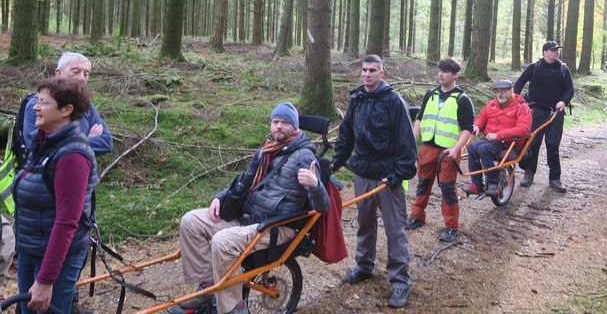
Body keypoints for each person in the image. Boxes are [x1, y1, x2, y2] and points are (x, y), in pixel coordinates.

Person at [169, 102, 329, 314]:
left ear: (295, 128)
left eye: (284, 123)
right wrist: (220, 197)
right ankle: (209, 289)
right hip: (247, 218)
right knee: (191, 221)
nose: (279, 126)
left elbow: (323, 206)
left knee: (222, 241)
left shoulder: (304, 157)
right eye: (275, 122)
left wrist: (316, 185)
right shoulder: (266, 150)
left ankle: (234, 308)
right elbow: (244, 181)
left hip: (275, 226)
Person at [331, 54, 416, 309]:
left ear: (382, 73)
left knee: (395, 230)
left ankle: (400, 281)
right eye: (364, 70)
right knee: (364, 224)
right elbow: (346, 134)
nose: (367, 74)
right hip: (363, 173)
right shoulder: (356, 99)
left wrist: (397, 175)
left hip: (388, 177)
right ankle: (364, 266)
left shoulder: (394, 102)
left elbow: (407, 145)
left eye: (372, 70)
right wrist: (337, 160)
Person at [14, 78, 99, 314]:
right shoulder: (41, 145)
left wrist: (46, 279)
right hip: (31, 251)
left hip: (54, 261)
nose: (35, 107)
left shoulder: (72, 156)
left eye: (43, 102)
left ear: (66, 110)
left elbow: (66, 221)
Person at [405, 58, 474, 243]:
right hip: (428, 147)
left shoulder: (462, 99)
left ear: (455, 75)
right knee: (423, 183)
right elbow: (419, 120)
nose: (441, 74)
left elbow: (467, 128)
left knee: (447, 188)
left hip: (448, 151)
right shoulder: (430, 95)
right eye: (440, 70)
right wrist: (411, 142)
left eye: (445, 71)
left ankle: (451, 227)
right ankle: (417, 216)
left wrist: (456, 149)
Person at [22, 52, 113, 156]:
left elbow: (106, 143)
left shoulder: (86, 105)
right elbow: (35, 146)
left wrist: (75, 144)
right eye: (76, 72)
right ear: (58, 73)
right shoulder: (39, 104)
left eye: (86, 74)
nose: (82, 78)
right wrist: (86, 140)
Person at [514, 41, 574, 193]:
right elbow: (520, 82)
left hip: (555, 113)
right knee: (532, 144)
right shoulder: (534, 67)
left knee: (553, 146)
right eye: (553, 50)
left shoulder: (563, 69)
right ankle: (529, 173)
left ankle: (555, 179)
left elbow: (569, 89)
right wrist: (517, 99)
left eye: (557, 50)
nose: (557, 52)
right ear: (545, 52)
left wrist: (564, 101)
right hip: (535, 111)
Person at [463, 80, 532, 198]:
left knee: (484, 149)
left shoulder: (521, 107)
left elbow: (523, 129)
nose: (501, 94)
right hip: (492, 139)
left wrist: (498, 135)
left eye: (504, 91)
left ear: (511, 91)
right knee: (472, 147)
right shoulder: (491, 105)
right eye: (498, 91)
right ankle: (477, 184)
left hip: (510, 141)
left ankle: (493, 184)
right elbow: (482, 118)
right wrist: (477, 126)